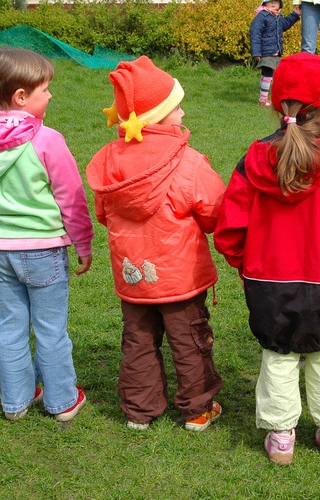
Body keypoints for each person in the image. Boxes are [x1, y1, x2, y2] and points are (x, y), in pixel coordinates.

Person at [213, 52, 320, 465]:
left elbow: (230, 228)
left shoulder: (254, 161)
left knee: (278, 355)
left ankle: (282, 437)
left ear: (276, 105)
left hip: (268, 281)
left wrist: (244, 264)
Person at [86, 56, 225, 432]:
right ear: (160, 115)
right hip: (180, 278)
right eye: (176, 106)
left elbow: (103, 212)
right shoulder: (189, 163)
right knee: (190, 341)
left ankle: (139, 410)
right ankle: (198, 409)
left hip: (133, 274)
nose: (182, 112)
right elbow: (214, 214)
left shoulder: (108, 161)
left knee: (138, 341)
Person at [0, 47, 92, 422]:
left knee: (10, 325)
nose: (50, 95)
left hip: (0, 251)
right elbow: (71, 197)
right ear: (21, 96)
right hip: (44, 252)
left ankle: (15, 401)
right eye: (45, 89)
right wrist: (83, 244)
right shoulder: (47, 140)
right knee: (51, 329)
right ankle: (62, 400)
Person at [250, 0, 300, 107]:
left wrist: (295, 14)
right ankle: (263, 100)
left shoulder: (278, 17)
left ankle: (273, 98)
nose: (273, 4)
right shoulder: (262, 16)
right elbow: (255, 34)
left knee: (274, 76)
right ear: (264, 4)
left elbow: (285, 24)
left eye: (276, 2)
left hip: (276, 52)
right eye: (270, 2)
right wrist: (256, 52)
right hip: (266, 51)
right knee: (267, 74)